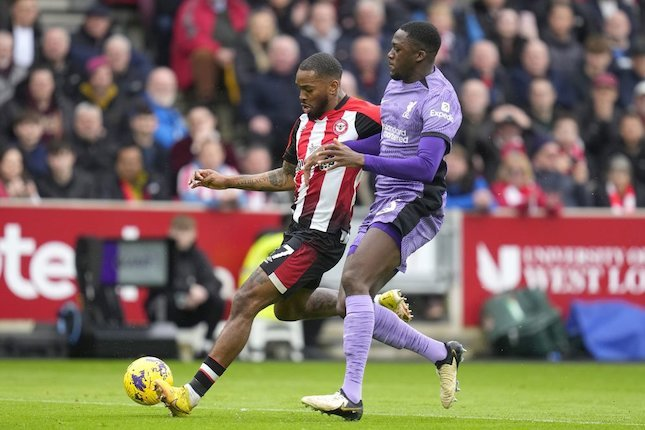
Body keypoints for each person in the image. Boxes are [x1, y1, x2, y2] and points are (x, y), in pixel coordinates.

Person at [153, 52, 412, 418]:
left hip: (320, 235)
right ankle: (364, 305)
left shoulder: (363, 116)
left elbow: (407, 137)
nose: (302, 96)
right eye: (298, 89)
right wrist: (228, 181)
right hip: (301, 230)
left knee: (245, 300)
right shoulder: (302, 125)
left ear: (333, 86)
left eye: (309, 89)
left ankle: (189, 396)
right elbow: (287, 177)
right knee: (287, 309)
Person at [298, 21, 465, 420]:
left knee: (354, 280)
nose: (388, 53)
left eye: (396, 48)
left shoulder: (439, 98)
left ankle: (350, 396)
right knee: (348, 301)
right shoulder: (397, 85)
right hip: (388, 198)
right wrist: (343, 148)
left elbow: (425, 166)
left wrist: (360, 160)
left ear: (420, 55)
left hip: (416, 200)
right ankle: (442, 353)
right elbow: (389, 140)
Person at [145, 214, 225, 353]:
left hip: (194, 309)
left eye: (186, 231)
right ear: (171, 232)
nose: (182, 236)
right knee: (161, 301)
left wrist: (203, 292)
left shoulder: (199, 256)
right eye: (179, 231)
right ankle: (161, 346)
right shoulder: (162, 254)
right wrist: (185, 292)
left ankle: (205, 345)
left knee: (217, 300)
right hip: (168, 307)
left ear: (194, 234)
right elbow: (157, 284)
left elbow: (213, 282)